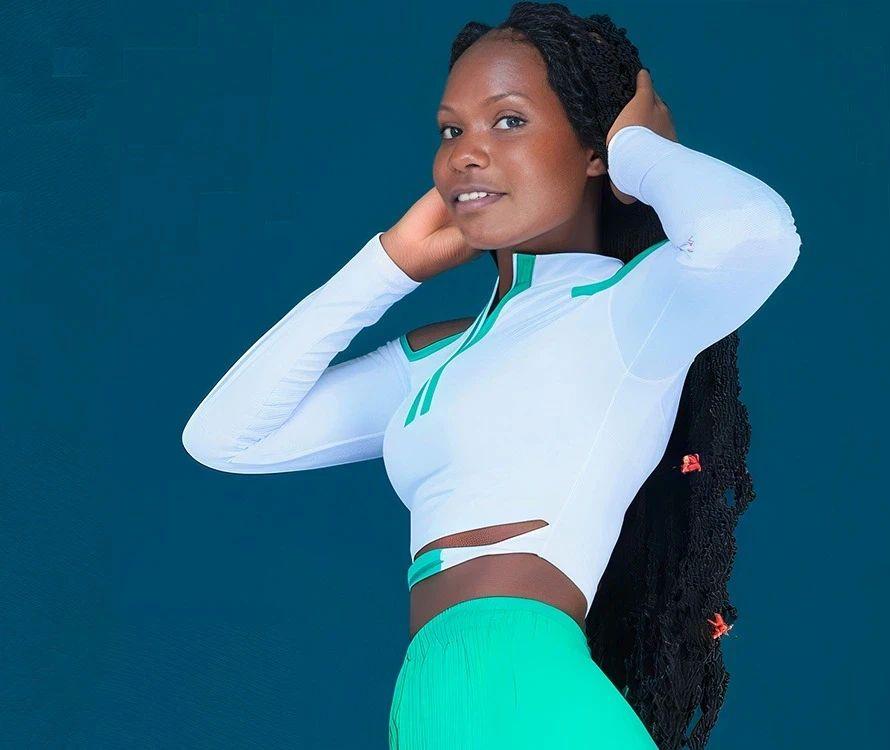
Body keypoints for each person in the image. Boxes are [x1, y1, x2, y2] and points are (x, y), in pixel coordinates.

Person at [181, 3, 801, 748]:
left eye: (508, 121)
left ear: (591, 149)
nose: (466, 155)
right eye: (452, 131)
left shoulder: (628, 310)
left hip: (526, 682)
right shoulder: (436, 357)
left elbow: (754, 237)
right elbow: (225, 438)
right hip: (436, 696)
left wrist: (637, 151)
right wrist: (387, 267)